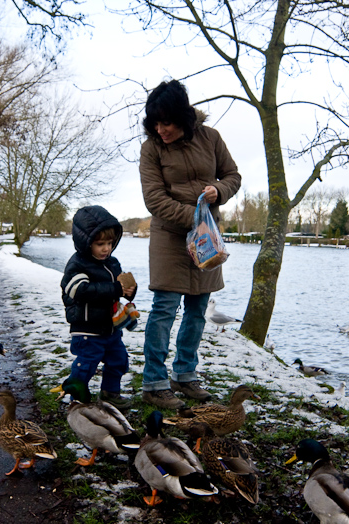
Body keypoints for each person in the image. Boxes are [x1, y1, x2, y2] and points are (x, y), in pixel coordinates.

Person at [139, 79, 242, 409]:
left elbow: (233, 176)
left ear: (182, 117)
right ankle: (154, 381)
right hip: (170, 237)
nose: (160, 129)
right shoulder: (151, 148)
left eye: (166, 122)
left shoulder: (210, 138)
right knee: (164, 310)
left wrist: (219, 191)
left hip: (207, 240)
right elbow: (154, 199)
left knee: (198, 310)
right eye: (155, 123)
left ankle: (185, 374)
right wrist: (196, 218)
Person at [60, 206, 137, 409]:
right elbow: (78, 290)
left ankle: (110, 392)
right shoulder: (77, 264)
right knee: (86, 364)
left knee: (119, 360)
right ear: (86, 242)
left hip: (110, 327)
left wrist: (128, 291)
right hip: (87, 327)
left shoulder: (113, 263)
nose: (106, 249)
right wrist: (114, 288)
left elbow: (117, 289)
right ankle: (76, 394)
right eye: (100, 244)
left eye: (110, 243)